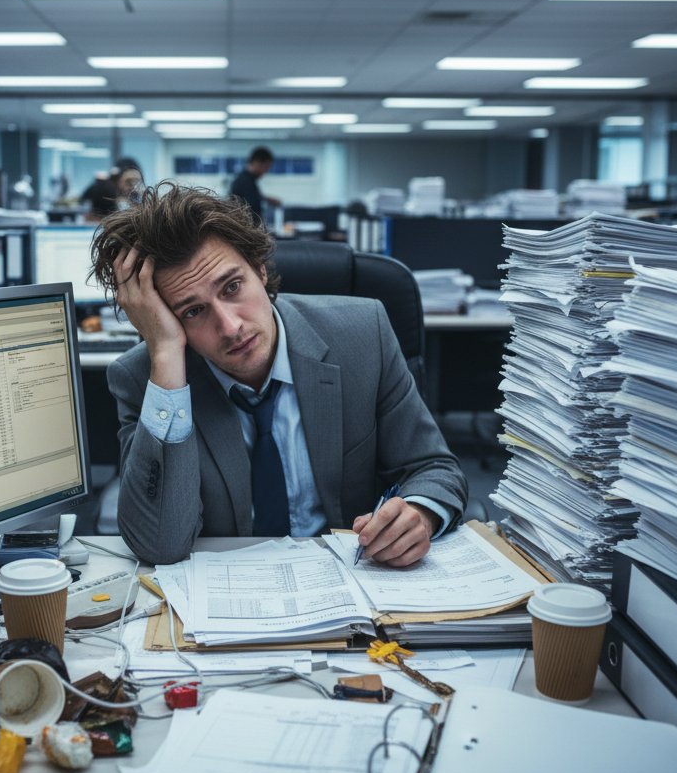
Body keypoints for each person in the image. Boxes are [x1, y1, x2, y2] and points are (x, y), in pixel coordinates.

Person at [90, 184, 467, 565]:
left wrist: (420, 514)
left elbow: (433, 467)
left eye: (232, 287)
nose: (231, 326)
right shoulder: (146, 380)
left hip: (355, 585)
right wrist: (168, 352)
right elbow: (160, 544)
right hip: (229, 599)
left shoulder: (364, 334)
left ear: (260, 269)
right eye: (192, 311)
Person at [228, 147, 281, 225]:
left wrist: (265, 199)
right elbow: (250, 210)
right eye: (266, 167)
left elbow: (251, 198)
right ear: (257, 162)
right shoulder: (245, 181)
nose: (266, 171)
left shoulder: (247, 180)